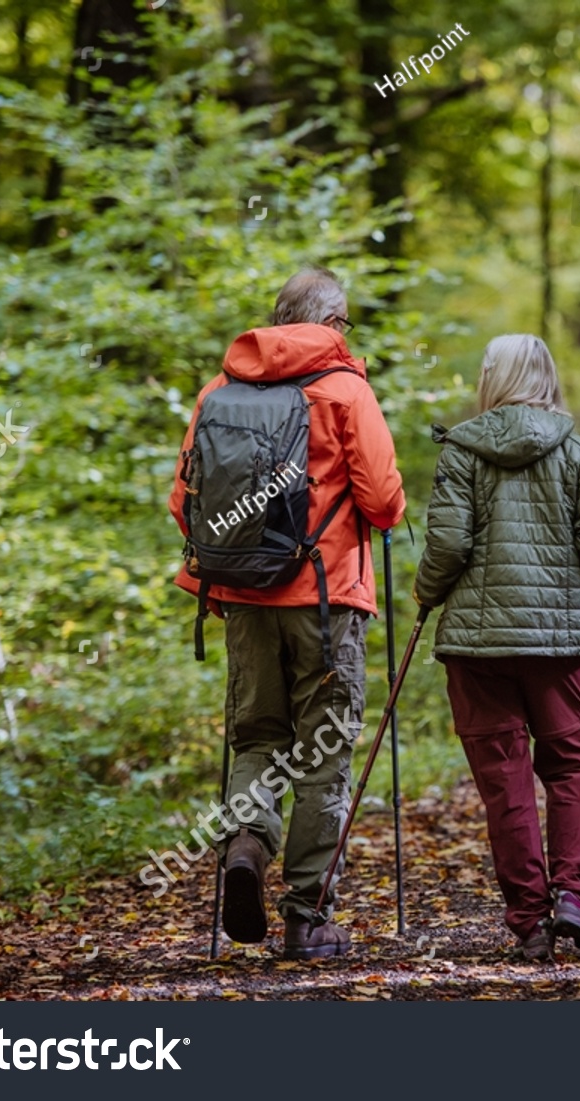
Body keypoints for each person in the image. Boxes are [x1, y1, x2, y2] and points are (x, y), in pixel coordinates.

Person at [168, 267, 406, 959]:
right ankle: (308, 915)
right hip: (325, 600)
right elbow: (384, 499)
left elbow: (185, 502)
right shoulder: (343, 390)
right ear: (333, 324)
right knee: (323, 754)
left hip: (242, 597)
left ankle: (246, 842)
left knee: (256, 738)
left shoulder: (221, 391)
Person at [413, 334, 580, 961]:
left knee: (504, 780)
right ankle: (575, 898)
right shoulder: (578, 451)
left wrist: (426, 595)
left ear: (490, 378)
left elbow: (447, 548)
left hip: (478, 646)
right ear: (548, 375)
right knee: (567, 770)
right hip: (556, 643)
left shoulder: (461, 452)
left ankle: (530, 921)